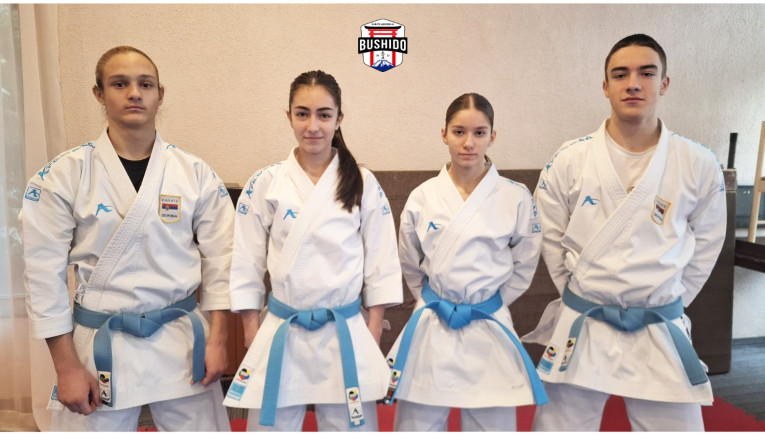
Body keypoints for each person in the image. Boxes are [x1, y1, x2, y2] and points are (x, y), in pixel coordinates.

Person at [20, 46, 234, 431]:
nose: (134, 93)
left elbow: (223, 259)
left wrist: (218, 340)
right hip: (102, 342)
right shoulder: (64, 175)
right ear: (99, 94)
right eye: (120, 84)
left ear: (160, 94)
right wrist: (66, 367)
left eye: (145, 84)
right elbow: (42, 274)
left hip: (181, 339)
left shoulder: (194, 173)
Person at [523, 34, 727, 431]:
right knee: (559, 426)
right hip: (585, 317)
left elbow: (708, 242)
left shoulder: (697, 161)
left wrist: (672, 298)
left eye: (646, 73)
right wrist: (578, 291)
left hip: (658, 320)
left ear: (664, 83)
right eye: (620, 74)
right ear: (606, 86)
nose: (633, 83)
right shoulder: (570, 158)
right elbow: (547, 234)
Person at [223, 70, 403, 431]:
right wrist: (250, 328)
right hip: (282, 327)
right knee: (270, 426)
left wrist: (372, 329)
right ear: (288, 116)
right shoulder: (266, 182)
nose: (313, 126)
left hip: (345, 328)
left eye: (324, 114)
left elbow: (381, 259)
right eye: (302, 114)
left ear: (339, 118)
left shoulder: (362, 182)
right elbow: (246, 261)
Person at [382, 93, 548, 431]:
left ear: (492, 136)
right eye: (459, 132)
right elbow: (409, 261)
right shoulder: (423, 196)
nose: (468, 142)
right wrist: (434, 300)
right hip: (434, 317)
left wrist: (488, 301)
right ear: (444, 134)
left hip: (488, 317)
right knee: (417, 423)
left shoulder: (515, 196)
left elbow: (525, 263)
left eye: (479, 132)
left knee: (492, 421)